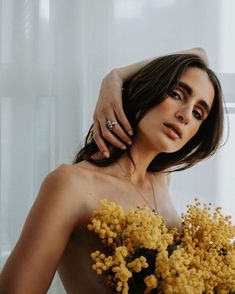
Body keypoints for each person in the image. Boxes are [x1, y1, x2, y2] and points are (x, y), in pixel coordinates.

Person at [0, 48, 224, 294]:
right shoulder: (71, 185)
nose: (185, 116)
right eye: (176, 94)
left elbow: (201, 53)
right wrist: (114, 81)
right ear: (148, 88)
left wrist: (116, 76)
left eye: (197, 113)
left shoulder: (160, 179)